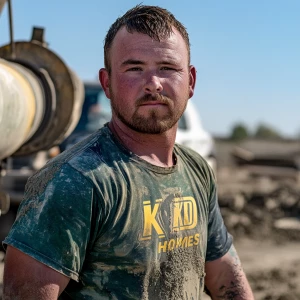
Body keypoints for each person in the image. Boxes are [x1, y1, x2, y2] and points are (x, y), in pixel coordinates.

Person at [2, 5, 254, 300]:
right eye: (134, 68)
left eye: (167, 68)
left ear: (191, 81)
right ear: (107, 83)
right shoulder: (75, 181)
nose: (153, 84)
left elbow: (224, 273)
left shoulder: (196, 170)